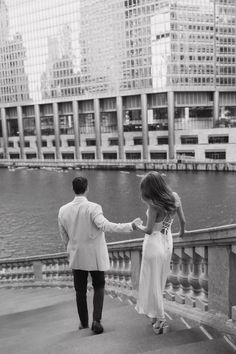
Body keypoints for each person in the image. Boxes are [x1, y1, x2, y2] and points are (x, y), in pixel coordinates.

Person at [58, 176, 141, 335]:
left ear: (73, 189)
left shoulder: (63, 210)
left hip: (76, 256)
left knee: (80, 291)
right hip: (94, 256)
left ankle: (83, 323)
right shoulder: (93, 207)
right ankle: (96, 320)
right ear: (87, 188)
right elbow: (106, 226)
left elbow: (64, 237)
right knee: (99, 286)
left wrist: (71, 250)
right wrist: (130, 226)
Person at [134, 171, 186, 334]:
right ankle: (155, 316)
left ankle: (161, 319)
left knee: (151, 281)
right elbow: (183, 221)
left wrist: (136, 226)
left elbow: (149, 230)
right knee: (159, 280)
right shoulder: (174, 197)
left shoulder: (153, 206)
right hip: (167, 242)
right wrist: (181, 232)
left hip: (153, 244)